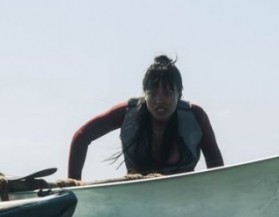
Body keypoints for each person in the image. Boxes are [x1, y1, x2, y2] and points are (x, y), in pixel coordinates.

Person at [67, 55, 223, 181]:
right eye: (152, 93)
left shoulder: (195, 116)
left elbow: (215, 164)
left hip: (184, 198)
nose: (159, 100)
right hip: (138, 197)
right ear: (145, 94)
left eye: (167, 93)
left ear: (179, 94)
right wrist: (73, 183)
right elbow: (82, 136)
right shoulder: (126, 113)